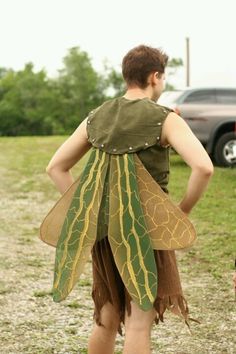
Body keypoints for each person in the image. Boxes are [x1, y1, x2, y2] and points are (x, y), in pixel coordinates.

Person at [44, 45, 214, 354]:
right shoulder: (165, 118)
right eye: (162, 79)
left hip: (105, 228)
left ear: (127, 77)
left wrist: (88, 209)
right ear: (155, 76)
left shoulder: (98, 116)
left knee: (106, 316)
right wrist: (180, 213)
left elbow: (55, 167)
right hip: (147, 231)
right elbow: (203, 168)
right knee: (138, 322)